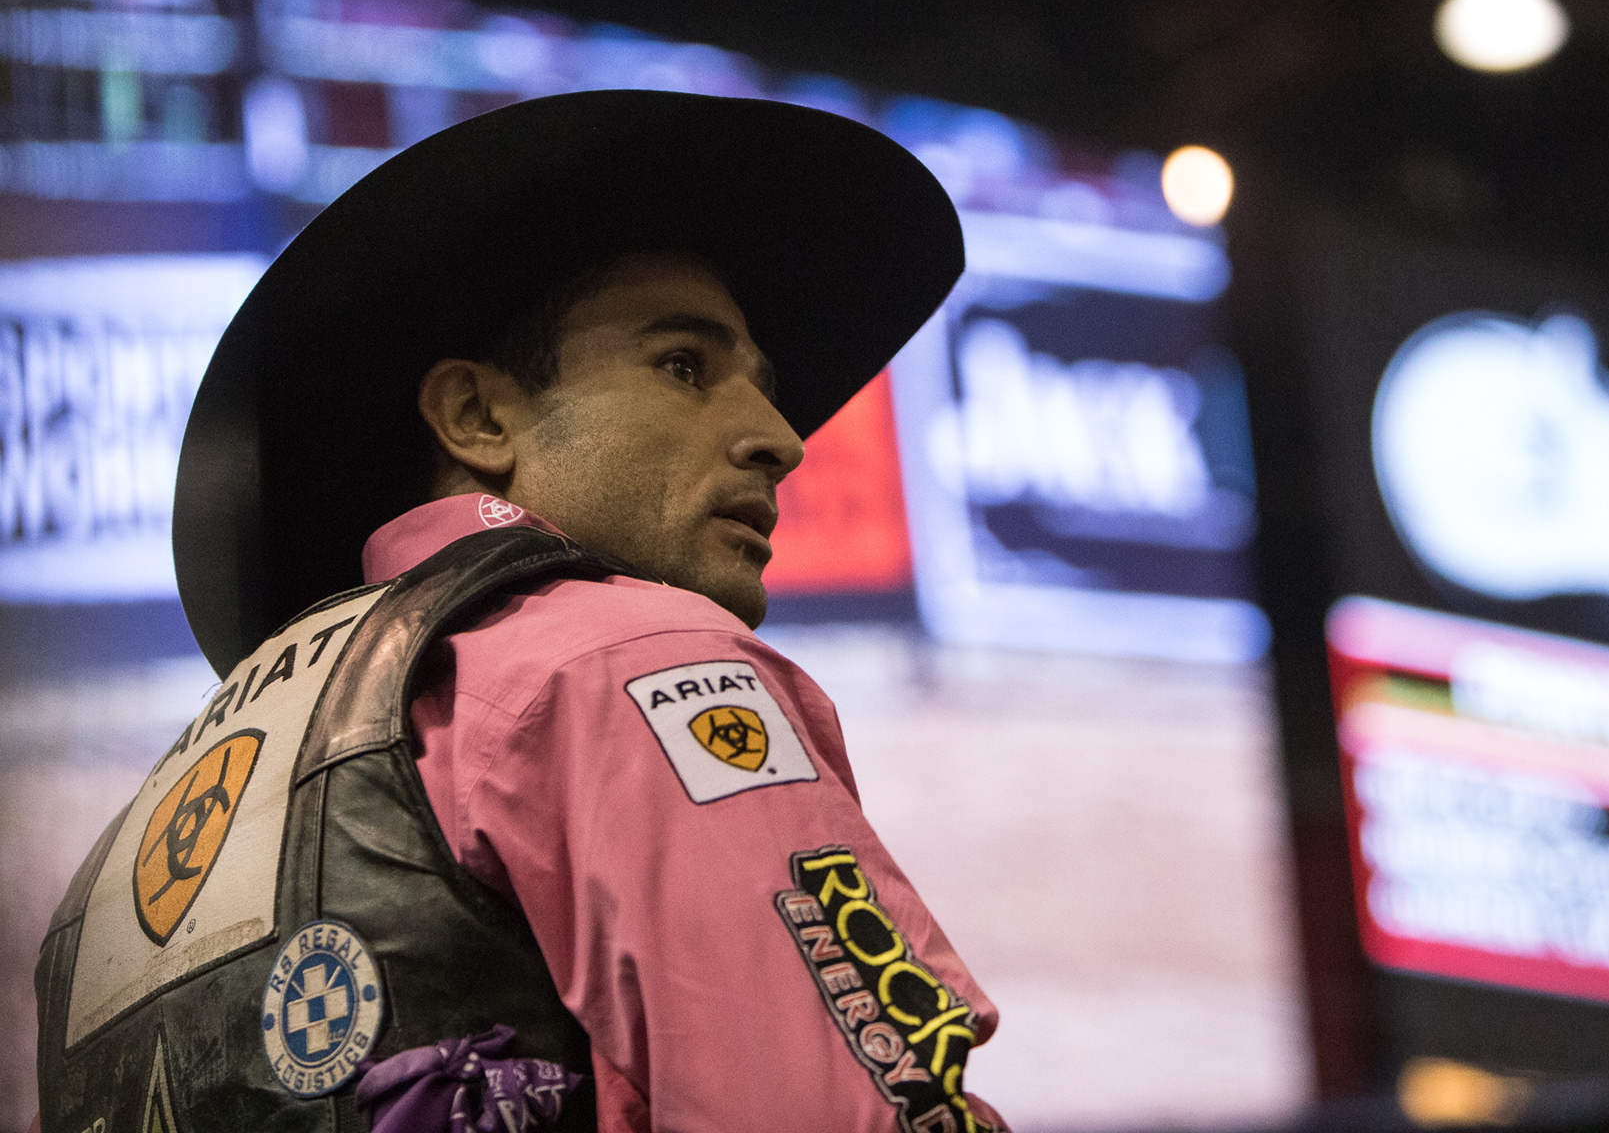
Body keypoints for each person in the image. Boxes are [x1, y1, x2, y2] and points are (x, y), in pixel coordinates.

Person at [35, 90, 1006, 1133]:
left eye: (763, 385)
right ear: (479, 415)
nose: (780, 435)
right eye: (684, 364)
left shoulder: (98, 892)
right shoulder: (631, 658)